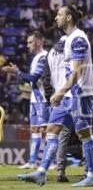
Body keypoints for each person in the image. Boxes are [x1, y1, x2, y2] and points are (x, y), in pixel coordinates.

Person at [17, 5, 93, 187]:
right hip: (68, 94)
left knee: (85, 135)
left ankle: (92, 176)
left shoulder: (78, 39)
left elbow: (77, 72)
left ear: (69, 18)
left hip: (80, 95)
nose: (56, 18)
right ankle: (41, 172)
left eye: (59, 14)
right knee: (51, 131)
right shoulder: (69, 39)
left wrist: (59, 91)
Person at [2, 31, 49, 170]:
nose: (27, 45)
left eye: (30, 42)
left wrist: (17, 72)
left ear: (39, 41)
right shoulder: (35, 58)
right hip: (34, 99)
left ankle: (50, 162)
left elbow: (34, 78)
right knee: (34, 130)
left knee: (45, 131)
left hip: (43, 99)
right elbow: (31, 79)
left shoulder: (43, 57)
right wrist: (16, 73)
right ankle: (32, 161)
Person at [41, 35, 71, 183]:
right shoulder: (75, 48)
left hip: (57, 99)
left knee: (56, 137)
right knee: (86, 134)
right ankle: (89, 172)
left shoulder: (51, 52)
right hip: (72, 97)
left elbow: (45, 78)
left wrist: (49, 98)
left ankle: (59, 171)